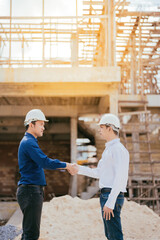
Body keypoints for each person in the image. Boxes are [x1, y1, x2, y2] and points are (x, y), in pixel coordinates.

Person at [16, 109, 76, 240]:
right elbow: (45, 162)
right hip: (30, 191)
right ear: (31, 124)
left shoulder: (29, 141)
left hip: (30, 191)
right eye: (41, 124)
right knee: (31, 234)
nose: (44, 127)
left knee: (28, 233)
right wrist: (66, 165)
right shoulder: (28, 143)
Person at [74, 113, 129, 240]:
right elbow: (99, 173)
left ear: (110, 128)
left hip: (111, 196)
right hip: (106, 194)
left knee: (114, 236)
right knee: (110, 235)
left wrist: (110, 202)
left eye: (102, 127)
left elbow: (120, 178)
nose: (99, 130)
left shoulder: (117, 150)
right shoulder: (109, 150)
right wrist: (79, 169)